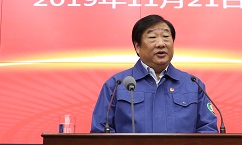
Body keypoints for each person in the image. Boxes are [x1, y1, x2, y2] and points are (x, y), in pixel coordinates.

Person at [90, 14, 219, 133]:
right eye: (152, 37)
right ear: (137, 47)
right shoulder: (116, 84)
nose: (161, 44)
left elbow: (208, 130)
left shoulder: (193, 84)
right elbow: (101, 132)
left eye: (166, 37)